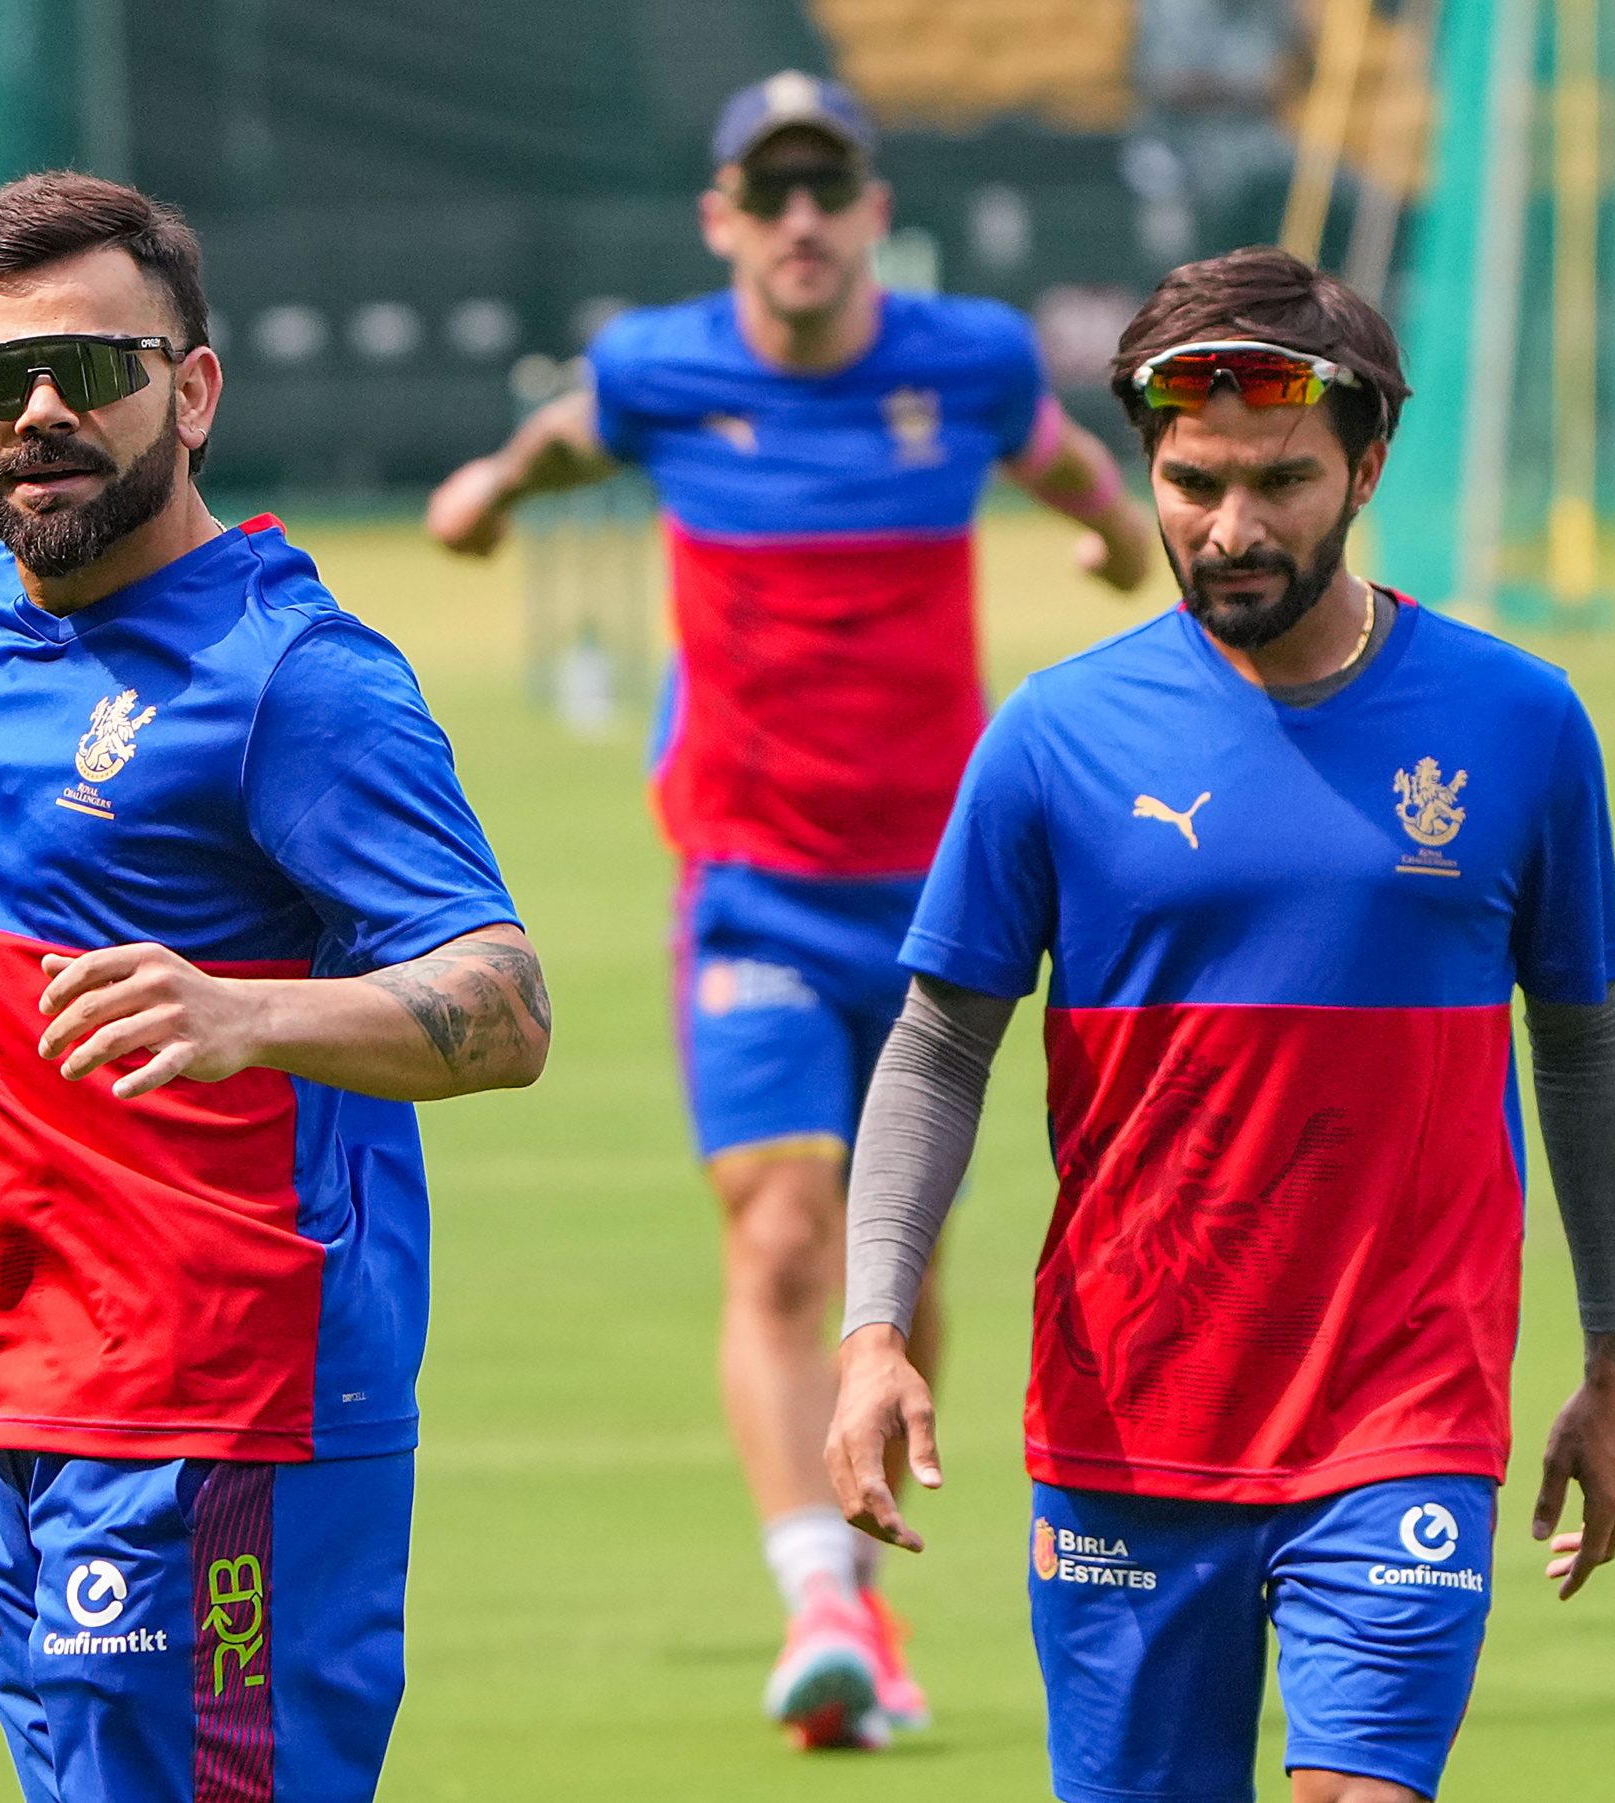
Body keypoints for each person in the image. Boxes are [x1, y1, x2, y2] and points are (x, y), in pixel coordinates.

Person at [0, 172, 549, 1803]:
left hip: (235, 1404)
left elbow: (507, 1001)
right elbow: (3, 915)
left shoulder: (295, 679)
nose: (40, 414)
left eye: (90, 370)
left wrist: (250, 1015)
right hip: (41, 1380)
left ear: (190, 392)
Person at [826, 246, 1615, 1803]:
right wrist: (875, 1331)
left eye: (1281, 481)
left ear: (1367, 469)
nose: (1231, 527)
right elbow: (939, 1044)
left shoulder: (1519, 723)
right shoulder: (1055, 737)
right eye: (1193, 483)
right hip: (1130, 1417)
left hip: (1406, 1410)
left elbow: (1587, 1038)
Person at [426, 70, 1156, 1750]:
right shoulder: (661, 370)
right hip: (750, 887)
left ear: (877, 211)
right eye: (771, 194)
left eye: (831, 189)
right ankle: (820, 1599)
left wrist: (1120, 545)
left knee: (899, 1263)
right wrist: (485, 494)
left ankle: (863, 1591)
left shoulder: (965, 363)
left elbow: (1066, 467)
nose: (803, 221)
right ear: (722, 221)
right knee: (778, 1237)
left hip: (945, 908)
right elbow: (561, 440)